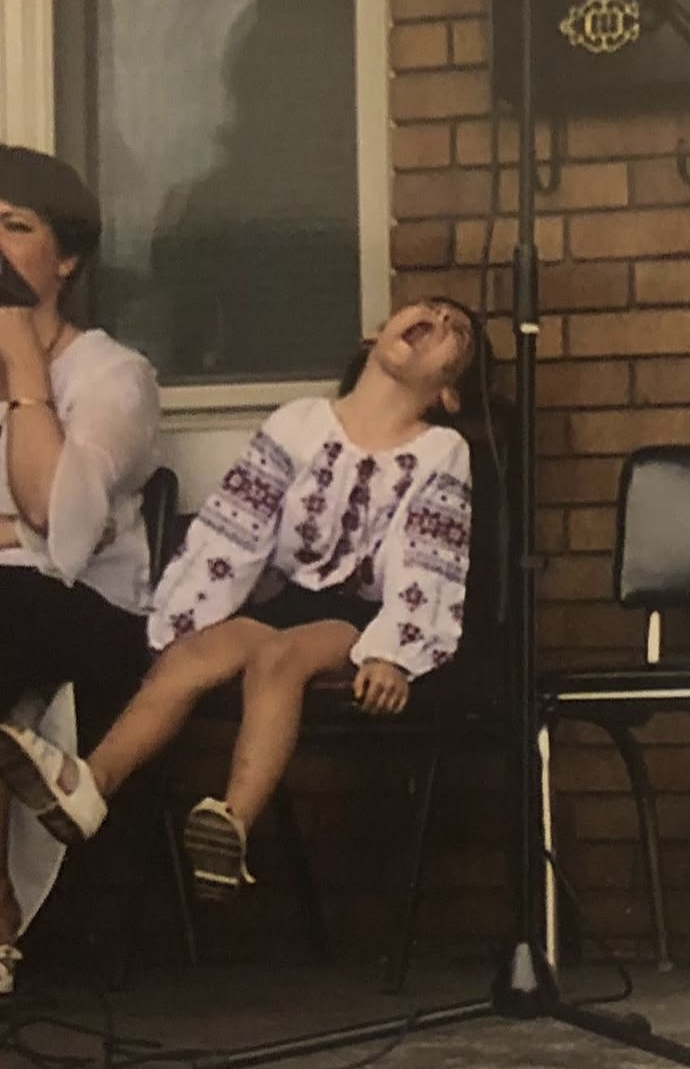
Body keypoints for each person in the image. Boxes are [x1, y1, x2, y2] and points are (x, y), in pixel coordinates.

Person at [0, 296, 486, 906]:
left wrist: (395, 654)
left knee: (279, 658)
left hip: (358, 619)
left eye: (456, 332)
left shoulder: (442, 451)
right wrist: (181, 620)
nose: (437, 322)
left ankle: (232, 820)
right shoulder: (297, 423)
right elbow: (236, 528)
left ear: (449, 394)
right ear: (374, 336)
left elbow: (429, 565)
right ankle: (89, 785)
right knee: (195, 656)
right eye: (430, 310)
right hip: (286, 600)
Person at [0, 144, 162, 995]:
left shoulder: (112, 377)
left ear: (64, 260)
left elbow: (56, 532)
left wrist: (25, 367)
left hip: (89, 616)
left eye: (12, 226)